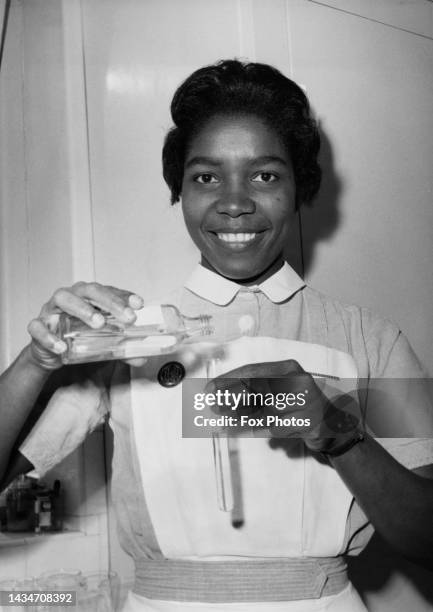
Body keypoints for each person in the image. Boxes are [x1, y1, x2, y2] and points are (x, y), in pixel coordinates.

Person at [1, 59, 433, 612]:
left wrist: (337, 431)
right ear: (178, 190)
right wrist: (36, 360)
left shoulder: (371, 337)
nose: (234, 202)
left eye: (265, 175)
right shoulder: (121, 340)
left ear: (301, 186)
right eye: (206, 176)